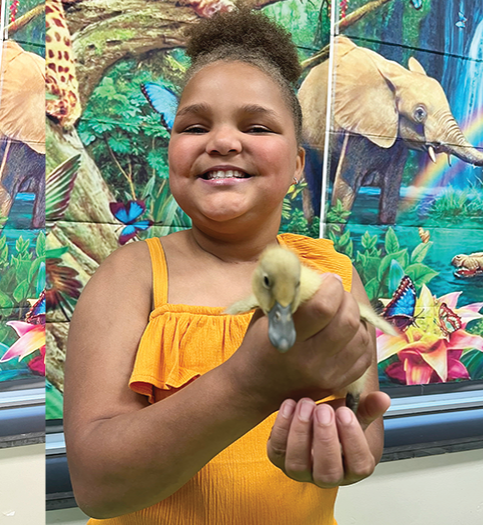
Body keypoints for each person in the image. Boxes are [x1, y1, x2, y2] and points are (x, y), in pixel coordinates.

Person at [63, 8, 390, 524]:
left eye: (256, 125)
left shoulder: (337, 277)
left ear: (299, 165)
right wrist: (249, 383)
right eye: (194, 126)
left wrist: (346, 446)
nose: (221, 141)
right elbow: (97, 488)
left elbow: (364, 426)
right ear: (171, 151)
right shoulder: (130, 276)